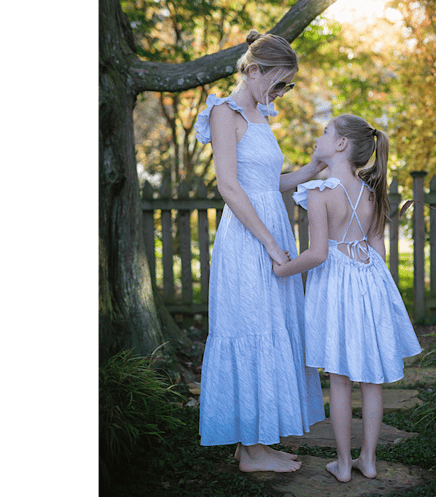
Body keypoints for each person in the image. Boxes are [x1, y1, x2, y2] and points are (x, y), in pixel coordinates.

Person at [193, 30, 326, 473]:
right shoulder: (224, 113)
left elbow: (271, 184)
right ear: (255, 71)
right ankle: (250, 452)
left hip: (273, 234)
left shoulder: (261, 114)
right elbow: (229, 186)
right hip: (249, 241)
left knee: (273, 327)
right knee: (249, 328)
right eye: (279, 82)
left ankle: (256, 443)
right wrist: (270, 242)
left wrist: (308, 171)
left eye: (288, 85)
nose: (282, 92)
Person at [273, 114, 423, 482]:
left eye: (325, 133)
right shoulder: (370, 191)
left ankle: (343, 464)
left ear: (341, 144)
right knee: (371, 379)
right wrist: (374, 285)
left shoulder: (321, 191)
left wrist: (281, 269)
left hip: (337, 286)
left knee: (339, 378)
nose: (319, 138)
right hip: (369, 281)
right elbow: (377, 246)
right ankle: (368, 461)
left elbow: (319, 253)